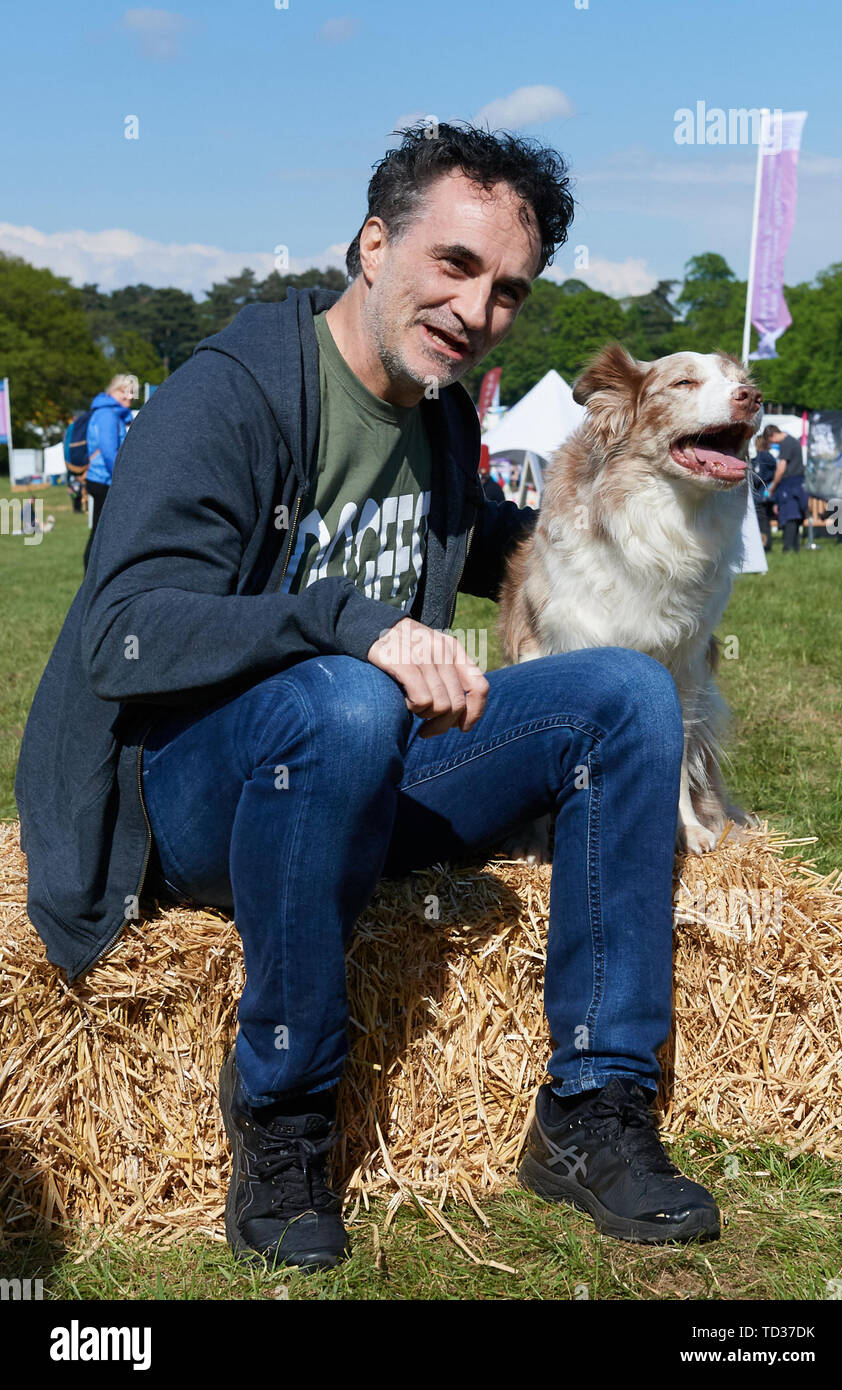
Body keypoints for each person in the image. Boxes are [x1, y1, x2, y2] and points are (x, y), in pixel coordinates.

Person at [15, 123, 719, 1273]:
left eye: (506, 291)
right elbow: (125, 630)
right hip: (199, 796)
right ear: (373, 240)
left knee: (626, 696)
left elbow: (491, 543)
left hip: (369, 766)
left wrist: (636, 532)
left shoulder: (440, 411)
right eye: (452, 263)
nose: (475, 308)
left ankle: (594, 1110)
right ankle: (286, 1126)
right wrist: (349, 623)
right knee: (343, 698)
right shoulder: (229, 396)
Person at [82, 373, 138, 570]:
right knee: (101, 534)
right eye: (125, 391)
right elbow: (109, 453)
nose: (130, 396)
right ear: (114, 391)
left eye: (133, 392)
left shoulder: (112, 413)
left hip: (102, 479)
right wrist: (123, 481)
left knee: (102, 532)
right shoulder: (108, 414)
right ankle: (92, 579)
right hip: (104, 481)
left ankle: (94, 577)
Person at [765, 424, 809, 552]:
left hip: (789, 484)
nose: (772, 444)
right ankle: (795, 547)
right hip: (798, 482)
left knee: (789, 514)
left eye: (770, 441)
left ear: (772, 435)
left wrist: (773, 486)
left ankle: (788, 547)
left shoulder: (785, 443)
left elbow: (781, 467)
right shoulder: (793, 440)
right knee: (795, 516)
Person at [750, 431, 777, 552]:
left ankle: (764, 545)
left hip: (760, 495)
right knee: (766, 520)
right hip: (769, 494)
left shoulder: (761, 457)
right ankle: (767, 543)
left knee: (762, 521)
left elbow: (757, 476)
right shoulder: (771, 457)